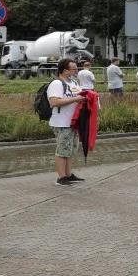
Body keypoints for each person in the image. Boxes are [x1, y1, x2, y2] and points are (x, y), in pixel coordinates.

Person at [47, 58, 86, 186]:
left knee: (70, 150)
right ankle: (61, 177)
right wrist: (76, 99)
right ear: (64, 70)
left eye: (76, 68)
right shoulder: (57, 84)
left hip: (73, 122)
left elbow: (79, 97)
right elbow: (54, 102)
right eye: (73, 69)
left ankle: (69, 175)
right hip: (61, 123)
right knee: (62, 150)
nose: (76, 71)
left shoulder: (74, 82)